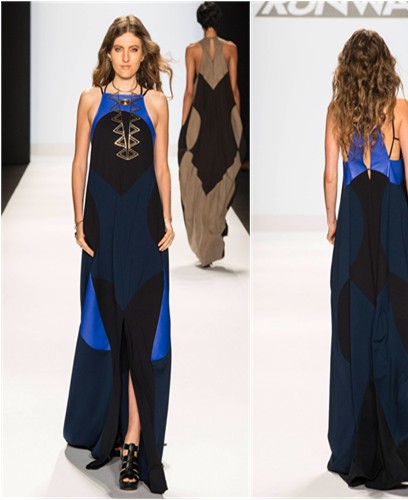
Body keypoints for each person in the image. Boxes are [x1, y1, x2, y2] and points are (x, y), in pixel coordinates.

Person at [63, 15, 174, 493]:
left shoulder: (157, 102)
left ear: (142, 54)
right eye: (119, 49)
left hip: (144, 227)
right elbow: (79, 163)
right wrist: (79, 221)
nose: (126, 57)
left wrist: (168, 219)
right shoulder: (90, 99)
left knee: (143, 329)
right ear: (108, 53)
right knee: (107, 326)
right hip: (103, 227)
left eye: (133, 49)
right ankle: (106, 426)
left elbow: (162, 167)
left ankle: (133, 440)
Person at [324, 29, 408, 489]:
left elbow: (330, 175)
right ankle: (399, 440)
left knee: (351, 326)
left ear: (347, 67)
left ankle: (353, 446)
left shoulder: (337, 111)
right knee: (392, 325)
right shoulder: (400, 109)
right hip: (391, 221)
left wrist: (332, 221)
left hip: (354, 220)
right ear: (385, 65)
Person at [178, 1, 246, 267]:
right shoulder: (231, 48)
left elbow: (189, 91)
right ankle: (214, 232)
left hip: (201, 116)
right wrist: (237, 124)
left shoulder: (192, 50)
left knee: (196, 172)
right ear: (217, 20)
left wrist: (184, 126)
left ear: (200, 21)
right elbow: (234, 89)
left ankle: (205, 241)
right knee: (223, 169)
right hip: (225, 116)